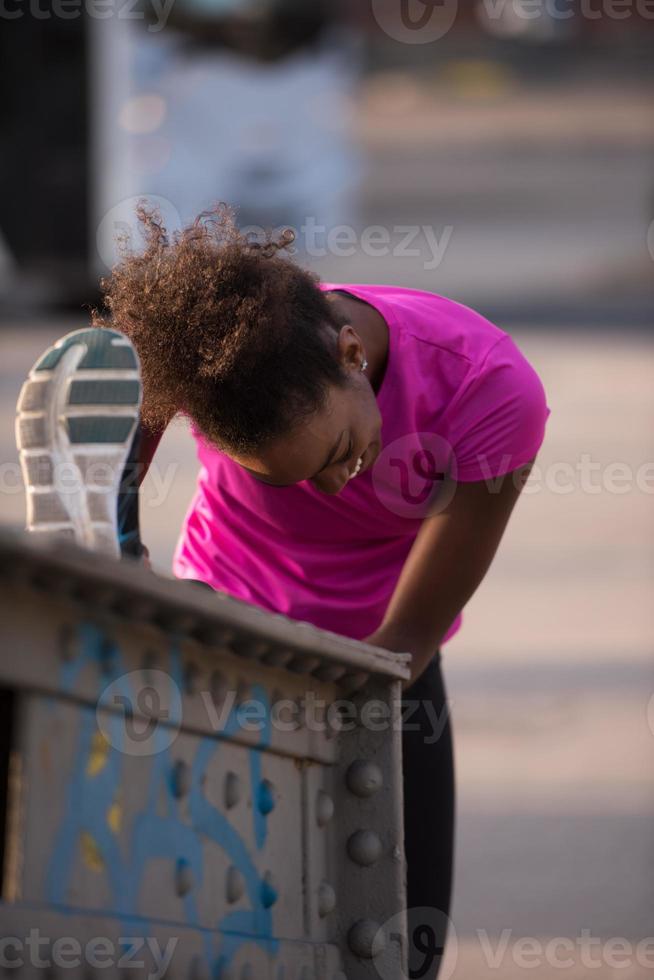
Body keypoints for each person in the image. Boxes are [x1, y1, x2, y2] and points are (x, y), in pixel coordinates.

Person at [16, 204, 551, 979]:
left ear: (351, 352)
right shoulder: (218, 358)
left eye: (339, 451)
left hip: (384, 661)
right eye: (297, 478)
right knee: (190, 918)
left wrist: (346, 699)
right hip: (224, 622)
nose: (336, 483)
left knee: (404, 950)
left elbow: (408, 639)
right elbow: (147, 368)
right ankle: (118, 561)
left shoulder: (487, 387)